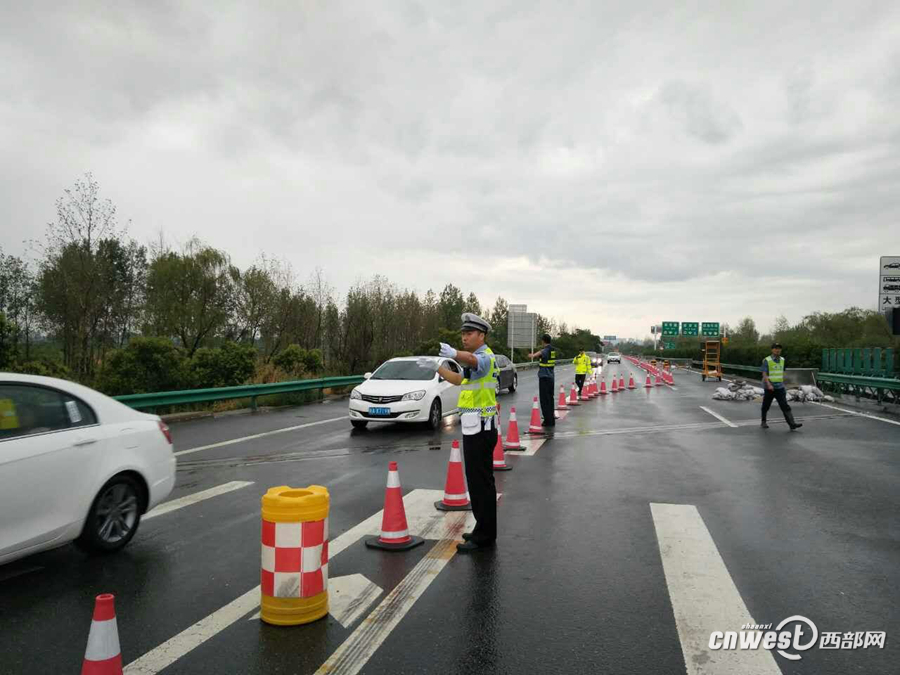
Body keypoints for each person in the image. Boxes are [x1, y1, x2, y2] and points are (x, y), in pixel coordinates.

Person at [420, 313, 498, 552]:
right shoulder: (475, 360)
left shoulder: (485, 358)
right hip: (476, 428)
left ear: (481, 335)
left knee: (481, 483)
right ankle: (481, 530)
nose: (464, 337)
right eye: (462, 334)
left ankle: (485, 536)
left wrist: (454, 353)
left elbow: (474, 362)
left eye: (469, 334)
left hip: (482, 430)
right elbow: (457, 379)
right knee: (476, 482)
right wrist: (438, 367)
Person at [761, 342, 802, 431]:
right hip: (770, 387)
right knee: (766, 405)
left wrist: (784, 384)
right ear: (772, 350)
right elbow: (764, 374)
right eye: (775, 348)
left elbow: (781, 372)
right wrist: (768, 384)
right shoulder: (767, 360)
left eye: (779, 348)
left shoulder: (783, 359)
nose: (777, 350)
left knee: (785, 406)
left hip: (780, 387)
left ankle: (792, 424)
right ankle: (763, 421)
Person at [528, 334, 556, 429]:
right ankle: (551, 419)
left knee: (544, 400)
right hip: (551, 377)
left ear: (543, 341)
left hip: (544, 377)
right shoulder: (552, 350)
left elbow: (541, 353)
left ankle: (547, 421)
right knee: (550, 399)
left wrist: (532, 355)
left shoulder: (546, 350)